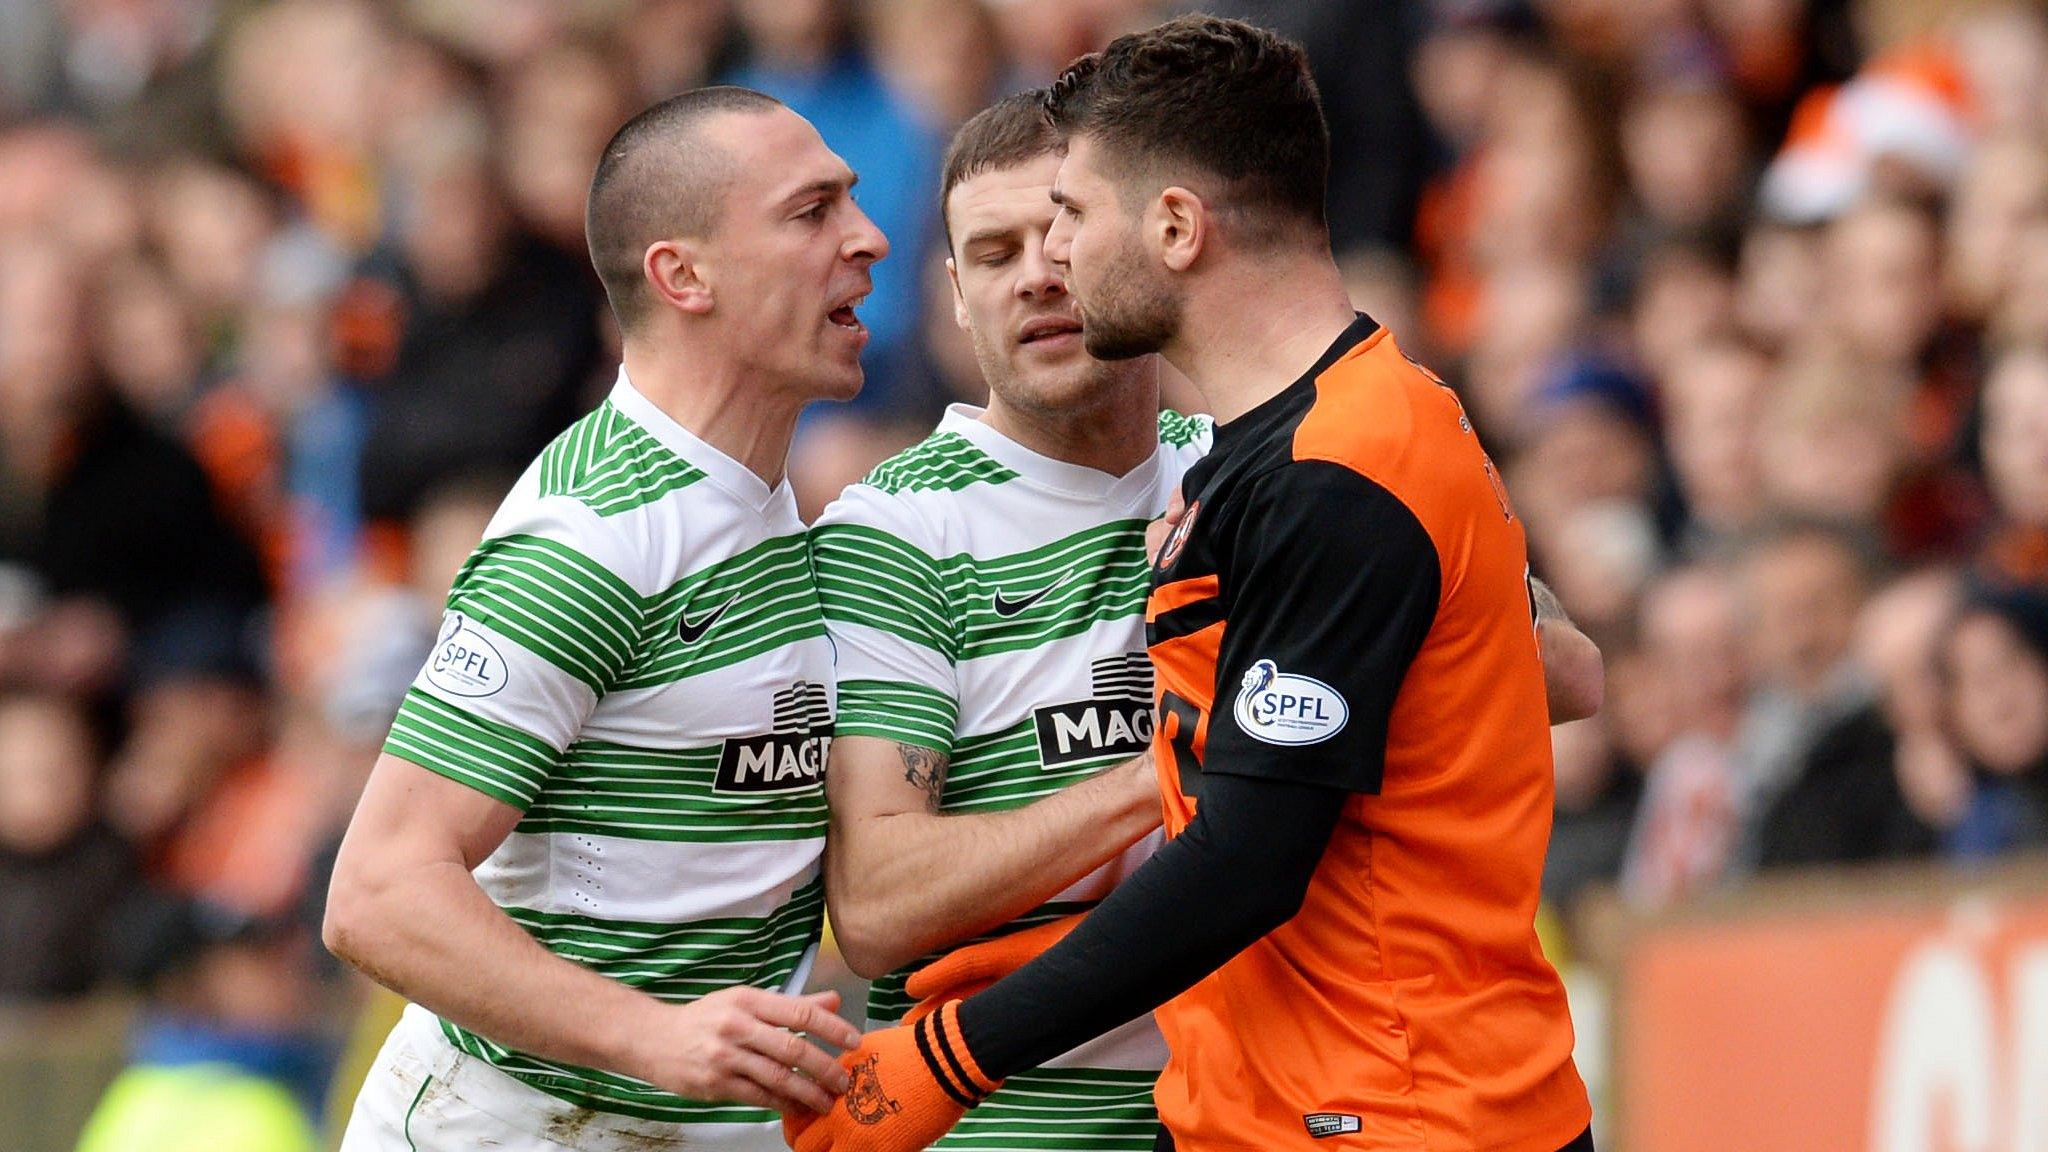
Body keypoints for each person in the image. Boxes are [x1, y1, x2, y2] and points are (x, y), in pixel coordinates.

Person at [791, 19, 1595, 1152]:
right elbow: (876, 909)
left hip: (1390, 1107)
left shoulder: (1326, 463)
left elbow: (1253, 853)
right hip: (1211, 1108)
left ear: (1172, 227)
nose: (1047, 267)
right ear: (950, 296)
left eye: (1067, 220)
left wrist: (950, 1051)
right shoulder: (914, 525)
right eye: (995, 249)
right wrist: (1194, 772)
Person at [323, 86, 878, 1151]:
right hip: (518, 1126)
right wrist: (652, 1038)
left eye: (851, 202)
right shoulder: (594, 538)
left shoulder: (776, 507)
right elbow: (378, 894)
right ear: (682, 274)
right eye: (811, 213)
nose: (870, 238)